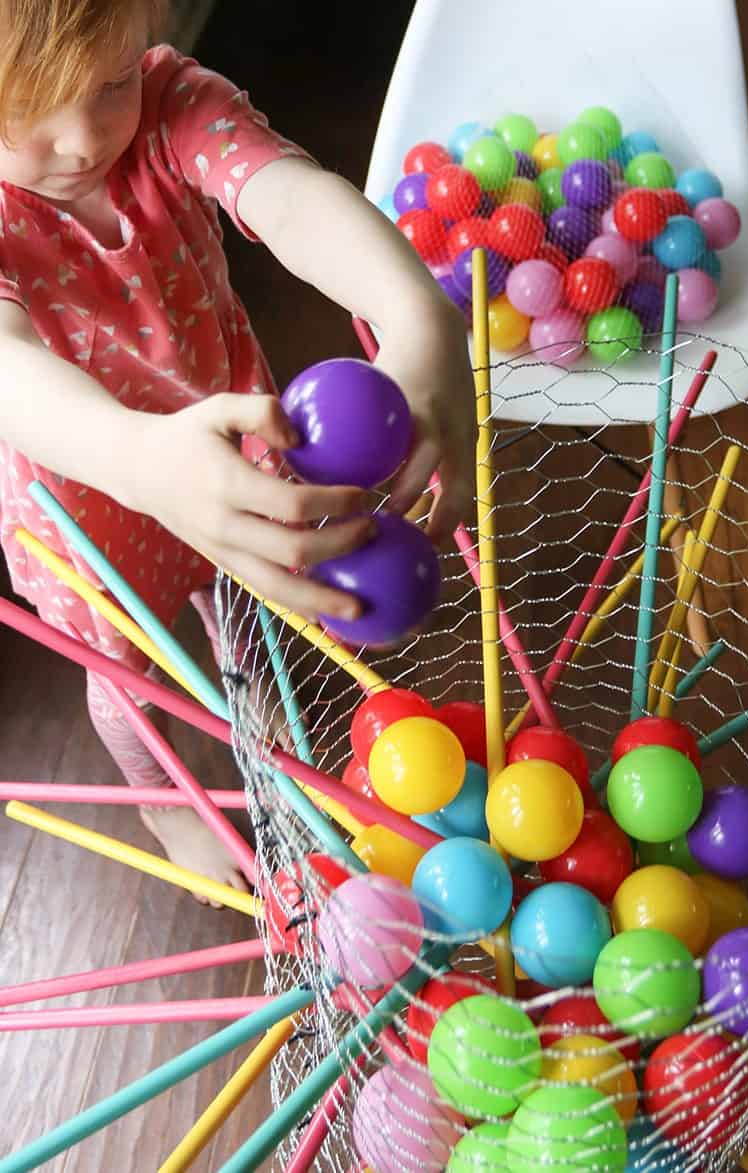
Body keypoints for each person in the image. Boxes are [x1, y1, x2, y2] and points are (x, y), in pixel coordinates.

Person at [0, 0, 476, 899]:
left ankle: (244, 664)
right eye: (24, 115)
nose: (83, 138)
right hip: (88, 493)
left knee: (242, 587)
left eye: (107, 81)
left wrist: (414, 309)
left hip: (229, 434)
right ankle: (165, 800)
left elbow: (292, 200)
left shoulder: (170, 101)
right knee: (130, 672)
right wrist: (140, 459)